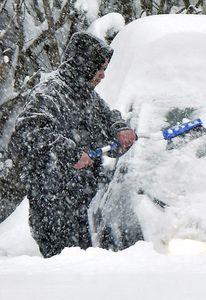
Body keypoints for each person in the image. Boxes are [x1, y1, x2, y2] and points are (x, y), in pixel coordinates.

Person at [9, 32, 136, 258]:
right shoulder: (50, 93)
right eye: (100, 67)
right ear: (84, 64)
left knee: (83, 270)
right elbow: (28, 134)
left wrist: (119, 128)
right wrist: (70, 153)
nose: (103, 75)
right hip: (54, 205)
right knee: (66, 270)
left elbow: (107, 118)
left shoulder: (85, 94)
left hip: (81, 202)